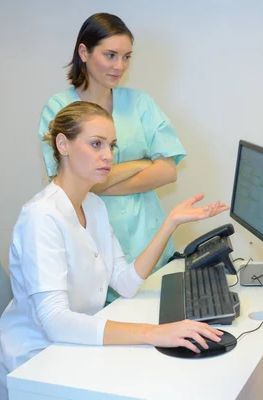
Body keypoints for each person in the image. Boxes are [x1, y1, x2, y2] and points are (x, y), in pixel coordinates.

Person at [0, 101, 228, 400]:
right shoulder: (41, 216)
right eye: (96, 144)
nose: (108, 156)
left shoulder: (94, 205)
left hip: (75, 346)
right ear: (63, 144)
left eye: (111, 145)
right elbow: (54, 322)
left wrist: (171, 223)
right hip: (35, 361)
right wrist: (152, 332)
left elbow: (125, 283)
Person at [38, 13, 186, 304]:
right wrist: (141, 165)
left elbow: (168, 172)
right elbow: (68, 186)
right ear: (84, 52)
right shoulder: (58, 109)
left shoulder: (139, 103)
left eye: (127, 57)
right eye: (110, 55)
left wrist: (97, 181)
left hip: (149, 241)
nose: (120, 66)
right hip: (95, 249)